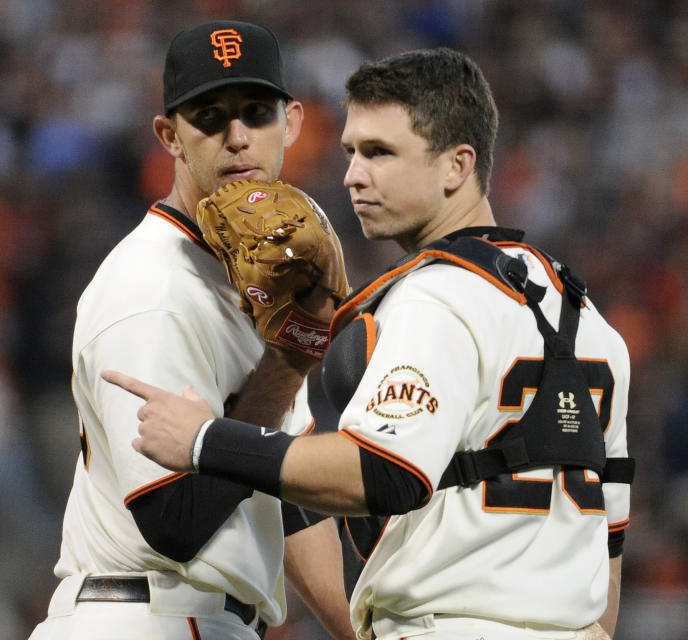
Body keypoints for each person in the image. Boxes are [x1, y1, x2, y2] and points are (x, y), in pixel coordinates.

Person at [103, 48, 633, 640]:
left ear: (457, 166)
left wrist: (206, 439)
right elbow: (606, 549)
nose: (354, 175)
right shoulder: (585, 315)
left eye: (380, 153)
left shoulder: (437, 296)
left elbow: (385, 471)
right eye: (351, 152)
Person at [27, 20, 355, 640]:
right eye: (210, 117)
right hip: (147, 615)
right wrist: (287, 364)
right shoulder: (151, 286)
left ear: (292, 123)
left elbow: (287, 504)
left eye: (256, 113)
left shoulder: (258, 286)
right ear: (169, 136)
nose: (237, 138)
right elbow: (171, 522)